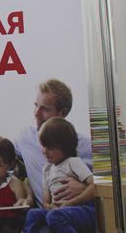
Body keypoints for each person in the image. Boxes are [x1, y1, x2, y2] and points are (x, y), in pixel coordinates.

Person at [14, 79, 92, 208]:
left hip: (76, 212)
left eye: (45, 109)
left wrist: (85, 188)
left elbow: (114, 181)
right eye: (36, 105)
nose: (37, 114)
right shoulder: (26, 137)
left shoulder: (86, 145)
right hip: (46, 212)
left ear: (62, 113)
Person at [23, 117, 96, 233]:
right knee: (33, 214)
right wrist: (50, 207)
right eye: (43, 146)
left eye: (50, 148)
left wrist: (70, 203)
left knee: (54, 216)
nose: (44, 151)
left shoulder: (73, 162)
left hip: (82, 209)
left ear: (66, 147)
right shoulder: (47, 169)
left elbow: (94, 186)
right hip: (60, 211)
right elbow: (46, 202)